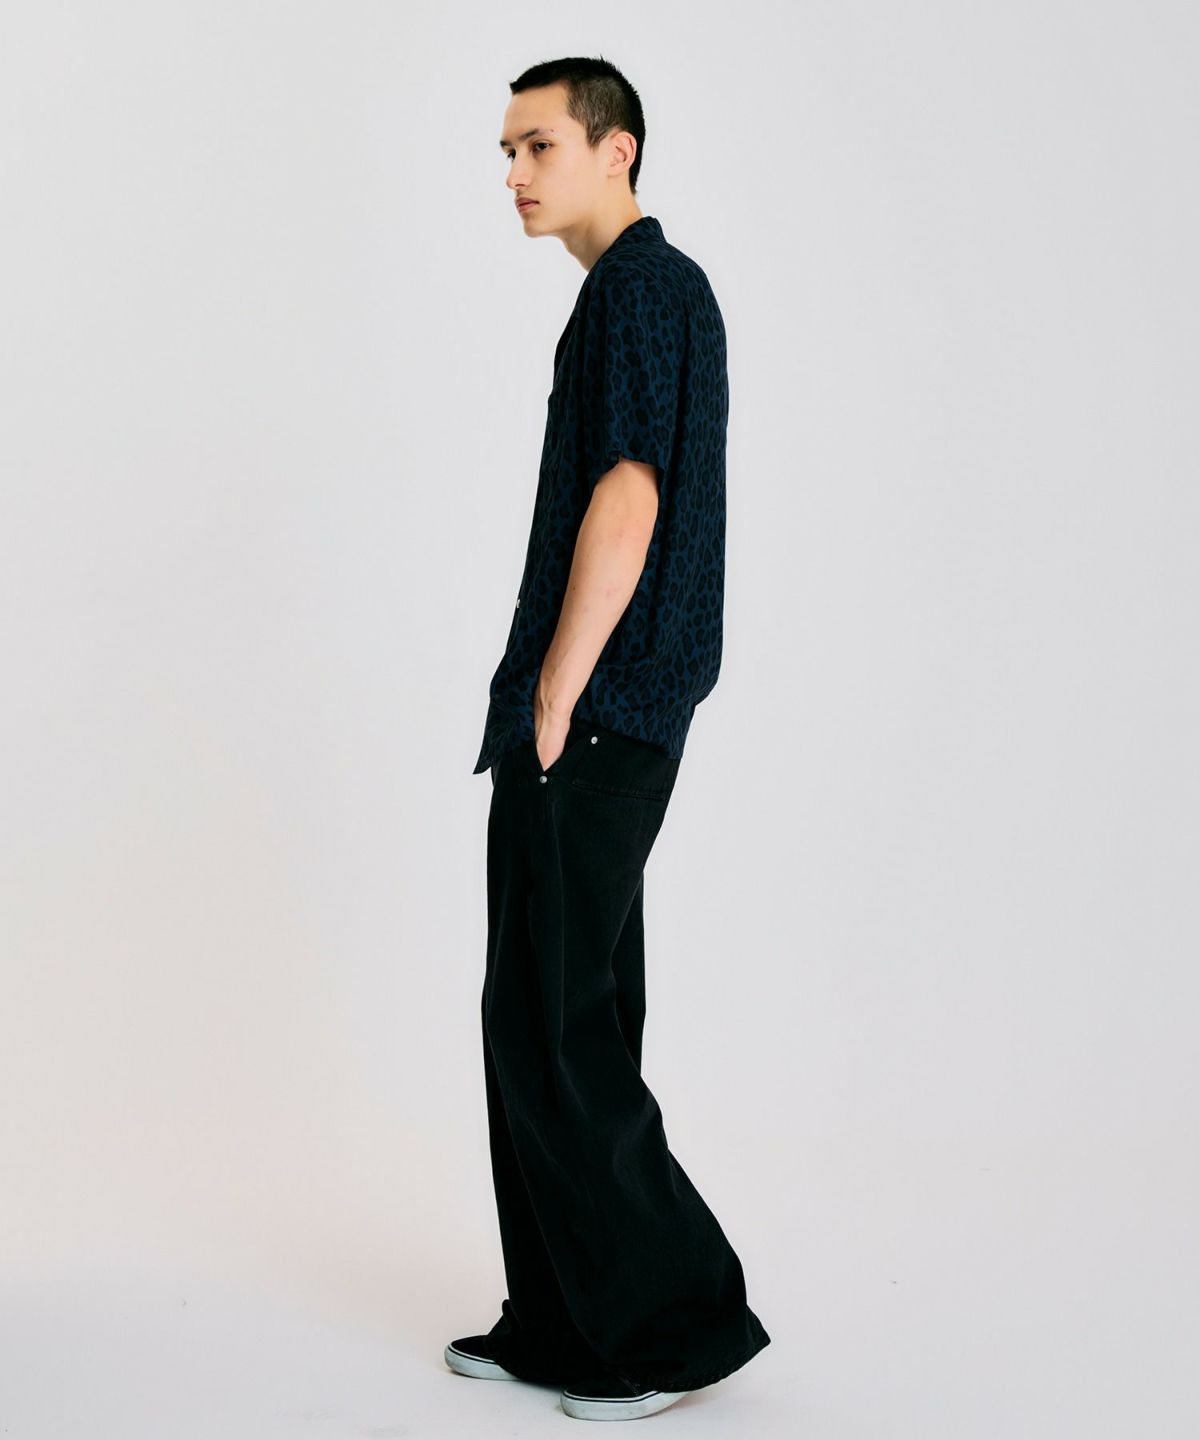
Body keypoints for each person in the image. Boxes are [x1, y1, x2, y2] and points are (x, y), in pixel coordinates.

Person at [445, 56, 771, 1423]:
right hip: (602, 708)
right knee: (544, 1017)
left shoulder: (642, 287)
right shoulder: (634, 295)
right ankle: (564, 1320)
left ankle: (674, 1330)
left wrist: (557, 695)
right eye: (506, 151)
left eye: (538, 146)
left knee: (559, 1025)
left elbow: (629, 495)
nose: (514, 174)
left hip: (599, 708)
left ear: (615, 148)